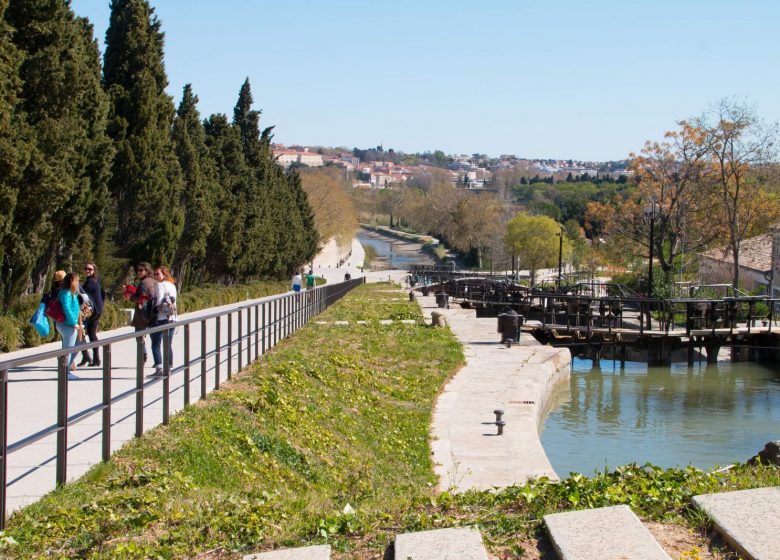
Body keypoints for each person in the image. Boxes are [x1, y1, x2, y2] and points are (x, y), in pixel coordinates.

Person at [127, 262, 158, 364]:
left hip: (142, 314)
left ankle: (142, 355)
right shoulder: (155, 281)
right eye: (138, 270)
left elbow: (143, 299)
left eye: (141, 270)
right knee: (155, 340)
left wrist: (131, 297)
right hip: (154, 313)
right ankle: (158, 362)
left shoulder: (143, 283)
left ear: (147, 271)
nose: (138, 272)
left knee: (139, 337)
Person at [149, 266, 177, 377]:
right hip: (172, 318)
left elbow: (159, 301)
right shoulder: (172, 285)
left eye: (157, 274)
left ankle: (159, 368)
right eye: (155, 274)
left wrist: (153, 306)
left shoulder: (160, 285)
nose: (155, 276)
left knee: (155, 344)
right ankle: (169, 367)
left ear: (164, 275)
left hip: (162, 318)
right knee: (168, 344)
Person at [56, 272, 83, 379]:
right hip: (67, 325)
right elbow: (67, 309)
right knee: (68, 349)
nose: (78, 283)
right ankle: (64, 372)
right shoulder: (66, 293)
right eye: (77, 281)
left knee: (75, 345)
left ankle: (65, 370)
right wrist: (74, 323)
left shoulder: (70, 293)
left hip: (67, 324)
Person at [78, 262, 104, 367]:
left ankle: (93, 358)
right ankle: (90, 357)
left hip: (92, 313)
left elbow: (83, 295)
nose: (87, 271)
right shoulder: (95, 281)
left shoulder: (90, 282)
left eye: (90, 269)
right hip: (96, 311)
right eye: (86, 269)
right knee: (89, 334)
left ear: (94, 271)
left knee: (88, 334)